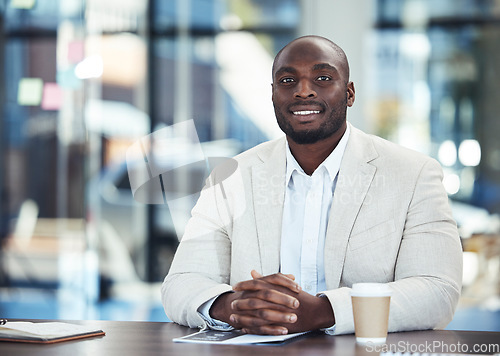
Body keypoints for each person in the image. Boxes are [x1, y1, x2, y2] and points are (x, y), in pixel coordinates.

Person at [161, 35, 463, 336]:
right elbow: (181, 283)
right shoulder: (230, 177)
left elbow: (437, 291)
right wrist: (234, 307)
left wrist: (322, 311)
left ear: (349, 93)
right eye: (288, 80)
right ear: (273, 94)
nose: (303, 91)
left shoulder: (413, 174)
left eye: (322, 78)